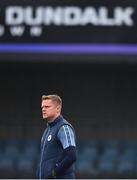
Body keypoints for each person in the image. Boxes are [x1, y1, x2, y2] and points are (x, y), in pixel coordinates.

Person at [37, 94, 77, 179]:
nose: (43, 109)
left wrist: (54, 173)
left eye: (47, 107)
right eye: (42, 107)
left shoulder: (63, 128)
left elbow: (71, 156)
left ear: (58, 108)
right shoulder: (47, 130)